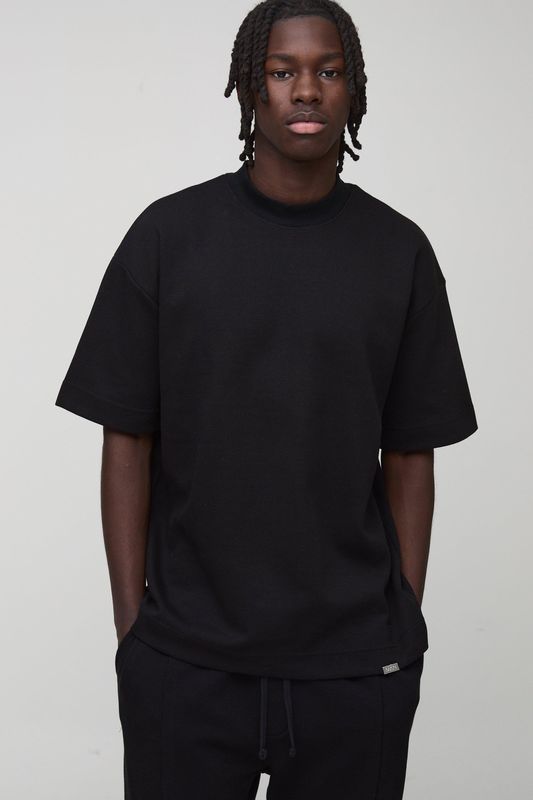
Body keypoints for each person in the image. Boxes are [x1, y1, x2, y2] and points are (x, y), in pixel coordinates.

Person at [55, 1, 478, 797]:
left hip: (354, 669)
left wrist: (399, 623)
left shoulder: (398, 252)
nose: (305, 90)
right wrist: (133, 634)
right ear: (252, 86)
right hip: (185, 665)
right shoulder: (167, 237)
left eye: (328, 71)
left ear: (353, 89)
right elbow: (126, 440)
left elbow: (410, 454)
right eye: (282, 71)